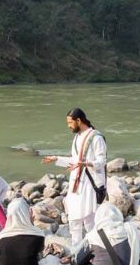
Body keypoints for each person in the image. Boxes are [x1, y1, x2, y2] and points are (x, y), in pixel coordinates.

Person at [42, 108, 107, 251]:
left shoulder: (96, 137)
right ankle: (76, 252)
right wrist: (56, 158)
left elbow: (101, 162)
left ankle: (95, 251)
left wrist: (85, 164)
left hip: (89, 185)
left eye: (70, 122)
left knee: (90, 220)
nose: (68, 126)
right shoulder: (77, 137)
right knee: (74, 220)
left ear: (79, 120)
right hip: (76, 183)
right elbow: (75, 160)